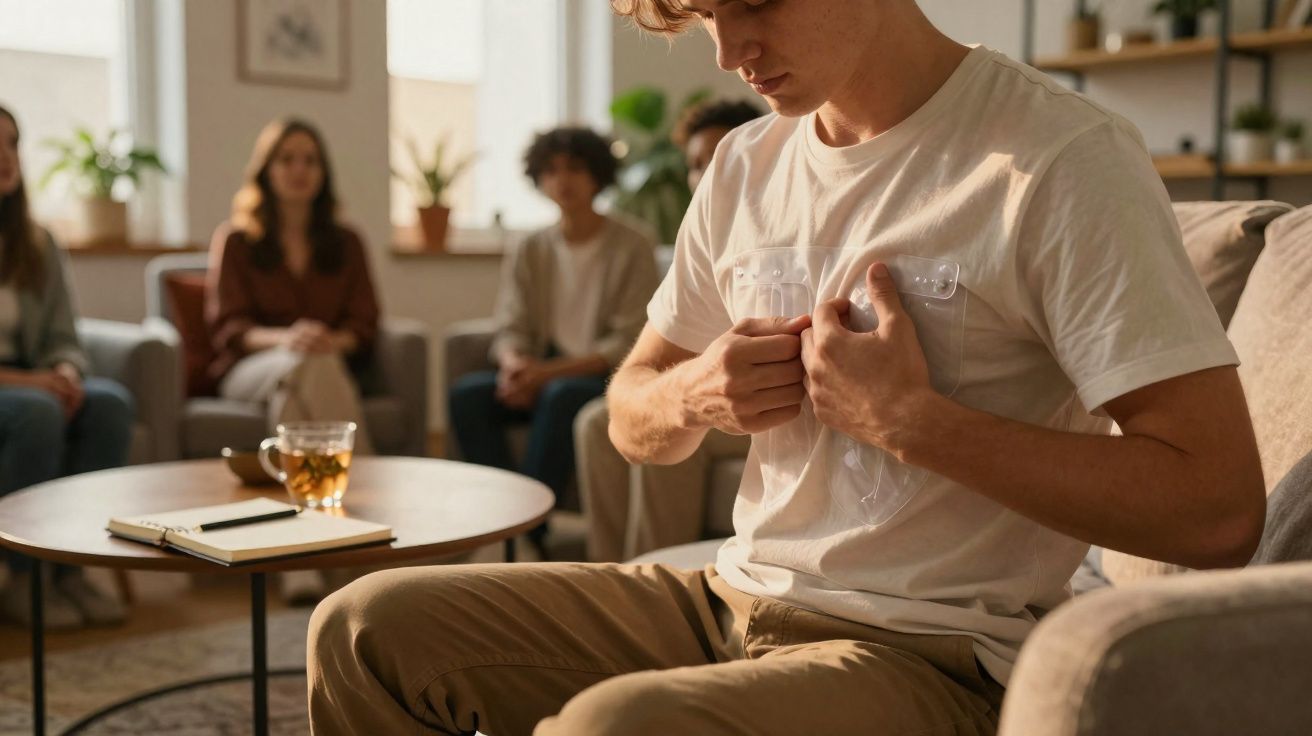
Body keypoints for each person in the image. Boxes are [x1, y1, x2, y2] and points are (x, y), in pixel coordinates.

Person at [308, 2, 1267, 734]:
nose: (728, 52)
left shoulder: (1059, 159)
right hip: (730, 596)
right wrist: (697, 393)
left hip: (934, 653)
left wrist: (914, 422)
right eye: (707, 14)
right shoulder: (742, 165)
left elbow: (1216, 507)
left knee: (617, 727)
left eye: (754, 1)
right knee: (366, 627)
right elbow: (632, 411)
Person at [447, 126, 658, 553]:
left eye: (576, 168)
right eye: (552, 169)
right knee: (467, 395)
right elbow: (511, 325)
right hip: (545, 371)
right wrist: (515, 368)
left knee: (560, 395)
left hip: (603, 376)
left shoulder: (633, 245)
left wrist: (542, 375)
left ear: (598, 175)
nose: (563, 179)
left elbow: (627, 341)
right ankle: (501, 520)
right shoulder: (531, 248)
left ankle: (526, 531)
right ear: (539, 178)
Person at [577, 98, 762, 562]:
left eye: (717, 159)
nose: (703, 176)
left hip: (760, 395)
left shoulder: (776, 226)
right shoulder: (704, 235)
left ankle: (655, 581)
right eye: (695, 165)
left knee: (677, 421)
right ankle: (607, 573)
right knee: (596, 422)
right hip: (704, 378)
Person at [207, 118, 380, 603]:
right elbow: (230, 330)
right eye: (287, 159)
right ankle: (369, 520)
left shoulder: (347, 242)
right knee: (300, 367)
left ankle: (296, 554)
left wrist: (328, 341)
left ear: (323, 172)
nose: (299, 169)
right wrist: (289, 339)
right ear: (266, 170)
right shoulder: (237, 239)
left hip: (318, 366)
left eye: (310, 159)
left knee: (303, 380)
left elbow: (364, 326)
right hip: (250, 367)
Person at [0, 104, 134, 630]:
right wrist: (37, 383)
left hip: (33, 379)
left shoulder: (37, 243)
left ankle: (72, 567)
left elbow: (65, 338)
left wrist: (68, 374)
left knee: (109, 405)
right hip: (20, 391)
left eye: (12, 144)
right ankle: (23, 576)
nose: (6, 157)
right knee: (38, 413)